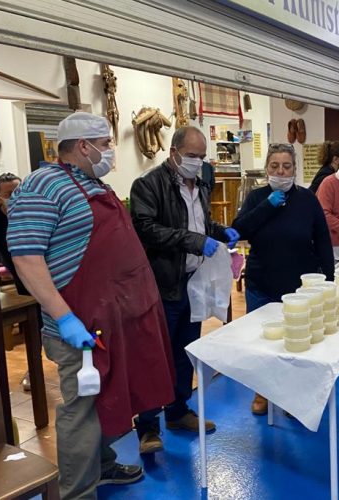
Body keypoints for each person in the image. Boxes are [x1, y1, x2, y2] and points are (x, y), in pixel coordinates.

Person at [7, 112, 175, 499]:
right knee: (81, 411)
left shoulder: (89, 182)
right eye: (107, 143)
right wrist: (65, 318)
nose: (111, 151)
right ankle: (77, 491)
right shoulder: (43, 184)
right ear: (84, 146)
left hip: (113, 318)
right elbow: (26, 258)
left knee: (110, 396)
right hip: (80, 327)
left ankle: (102, 466)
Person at [130, 126, 240, 450]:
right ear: (174, 152)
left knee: (183, 354)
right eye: (192, 156)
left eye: (202, 156)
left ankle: (177, 411)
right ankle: (147, 426)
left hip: (193, 284)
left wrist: (220, 231)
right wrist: (195, 241)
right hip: (163, 286)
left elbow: (199, 224)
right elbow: (146, 229)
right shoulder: (148, 186)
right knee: (156, 358)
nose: (198, 162)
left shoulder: (202, 183)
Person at [233, 143, 335, 415]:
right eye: (274, 166)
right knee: (263, 342)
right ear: (267, 168)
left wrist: (330, 278)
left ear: (295, 169)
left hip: (300, 285)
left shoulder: (307, 199)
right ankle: (262, 392)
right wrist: (267, 206)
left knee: (297, 342)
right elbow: (238, 230)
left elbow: (323, 240)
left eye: (286, 166)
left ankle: (292, 395)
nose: (280, 171)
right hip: (261, 283)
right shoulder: (256, 198)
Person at [0, 172, 34, 393]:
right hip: (20, 278)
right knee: (34, 327)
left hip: (47, 273)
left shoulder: (35, 212)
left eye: (18, 191)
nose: (15, 197)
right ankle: (33, 371)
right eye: (9, 194)